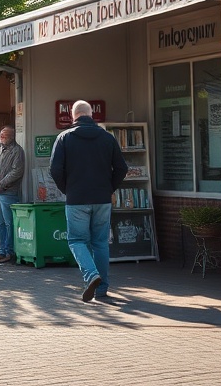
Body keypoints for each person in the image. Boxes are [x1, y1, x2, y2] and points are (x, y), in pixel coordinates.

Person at [49, 99, 128, 303]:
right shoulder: (107, 138)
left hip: (77, 199)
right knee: (100, 243)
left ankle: (91, 275)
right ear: (91, 115)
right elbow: (122, 168)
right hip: (102, 199)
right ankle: (101, 289)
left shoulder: (64, 138)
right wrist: (109, 188)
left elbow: (55, 170)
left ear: (73, 116)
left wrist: (68, 189)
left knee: (76, 240)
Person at [0, 125, 25, 264]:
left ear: (12, 137)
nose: (2, 138)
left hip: (8, 193)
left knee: (9, 223)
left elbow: (17, 171)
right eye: (1, 135)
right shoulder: (0, 150)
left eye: (5, 135)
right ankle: (1, 251)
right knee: (1, 223)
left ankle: (9, 252)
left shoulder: (17, 151)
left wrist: (1, 184)